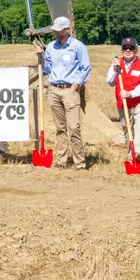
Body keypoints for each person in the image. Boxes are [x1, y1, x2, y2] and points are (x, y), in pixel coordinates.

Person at [34, 16, 92, 169]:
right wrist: (40, 56)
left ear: (67, 30)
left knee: (73, 127)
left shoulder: (78, 46)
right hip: (54, 90)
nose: (56, 33)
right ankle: (62, 160)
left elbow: (85, 67)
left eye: (59, 30)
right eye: (55, 30)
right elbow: (46, 68)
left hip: (70, 90)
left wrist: (76, 85)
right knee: (60, 128)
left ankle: (79, 162)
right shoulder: (52, 47)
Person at [106, 37, 140, 163]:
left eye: (131, 48)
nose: (128, 50)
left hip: (139, 101)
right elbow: (110, 82)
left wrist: (130, 93)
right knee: (128, 130)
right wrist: (115, 71)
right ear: (121, 50)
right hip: (123, 103)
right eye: (125, 48)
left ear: (136, 50)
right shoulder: (117, 64)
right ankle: (130, 158)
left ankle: (138, 152)